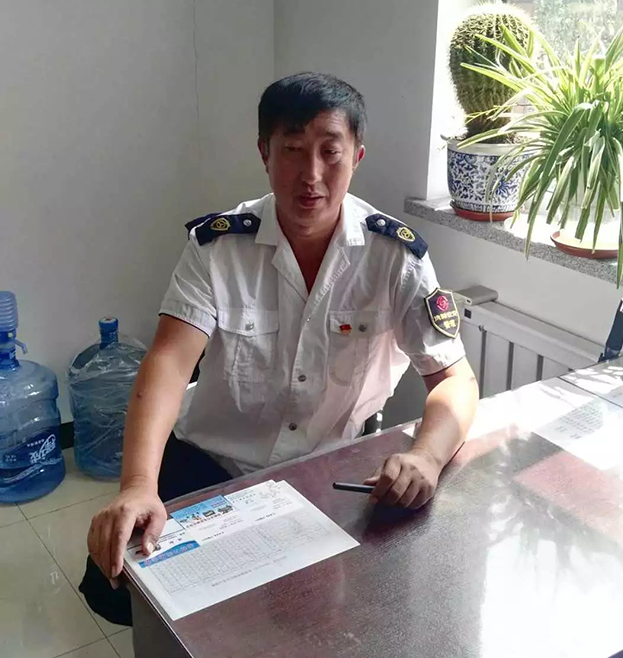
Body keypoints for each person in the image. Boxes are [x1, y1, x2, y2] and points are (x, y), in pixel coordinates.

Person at [80, 72, 479, 626]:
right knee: (129, 588)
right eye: (292, 150)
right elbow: (170, 361)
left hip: (327, 469)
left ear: (357, 156)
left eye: (330, 152)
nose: (311, 175)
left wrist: (427, 457)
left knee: (314, 616)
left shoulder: (396, 257)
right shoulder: (218, 248)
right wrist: (138, 484)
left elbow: (454, 379)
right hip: (210, 461)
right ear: (265, 153)